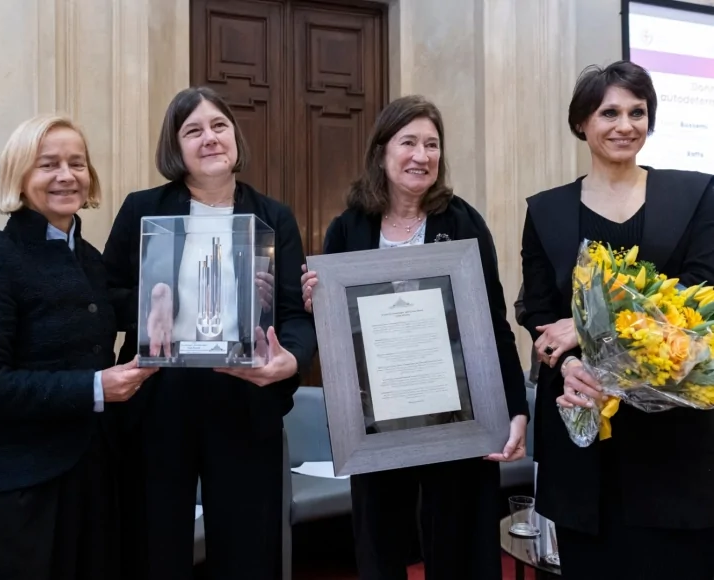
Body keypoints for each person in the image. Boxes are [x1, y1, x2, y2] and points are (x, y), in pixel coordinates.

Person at [301, 95, 529, 580]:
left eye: (432, 144)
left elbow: (493, 323)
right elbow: (339, 332)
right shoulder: (348, 228)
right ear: (382, 152)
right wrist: (317, 303)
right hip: (376, 421)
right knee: (381, 546)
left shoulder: (463, 223)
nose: (421, 155)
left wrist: (513, 409)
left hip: (457, 416)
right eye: (408, 142)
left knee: (458, 545)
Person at [103, 86, 316, 580]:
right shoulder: (142, 210)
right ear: (175, 148)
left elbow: (295, 313)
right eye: (193, 130)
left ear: (235, 136)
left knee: (249, 553)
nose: (210, 139)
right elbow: (105, 295)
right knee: (154, 550)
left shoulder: (274, 218)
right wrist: (152, 304)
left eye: (219, 126)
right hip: (159, 403)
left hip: (244, 401)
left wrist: (292, 359)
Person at [521, 60, 714, 579]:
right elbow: (539, 313)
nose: (625, 125)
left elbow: (700, 301)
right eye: (609, 112)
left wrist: (584, 331)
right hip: (583, 426)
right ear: (583, 121)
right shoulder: (546, 211)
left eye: (638, 112)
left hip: (675, 436)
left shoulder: (696, 195)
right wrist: (567, 362)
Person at [0, 115, 155, 580]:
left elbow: (135, 311)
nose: (66, 175)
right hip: (19, 495)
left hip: (93, 485)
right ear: (19, 177)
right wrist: (95, 388)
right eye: (48, 165)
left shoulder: (89, 258)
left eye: (77, 163)